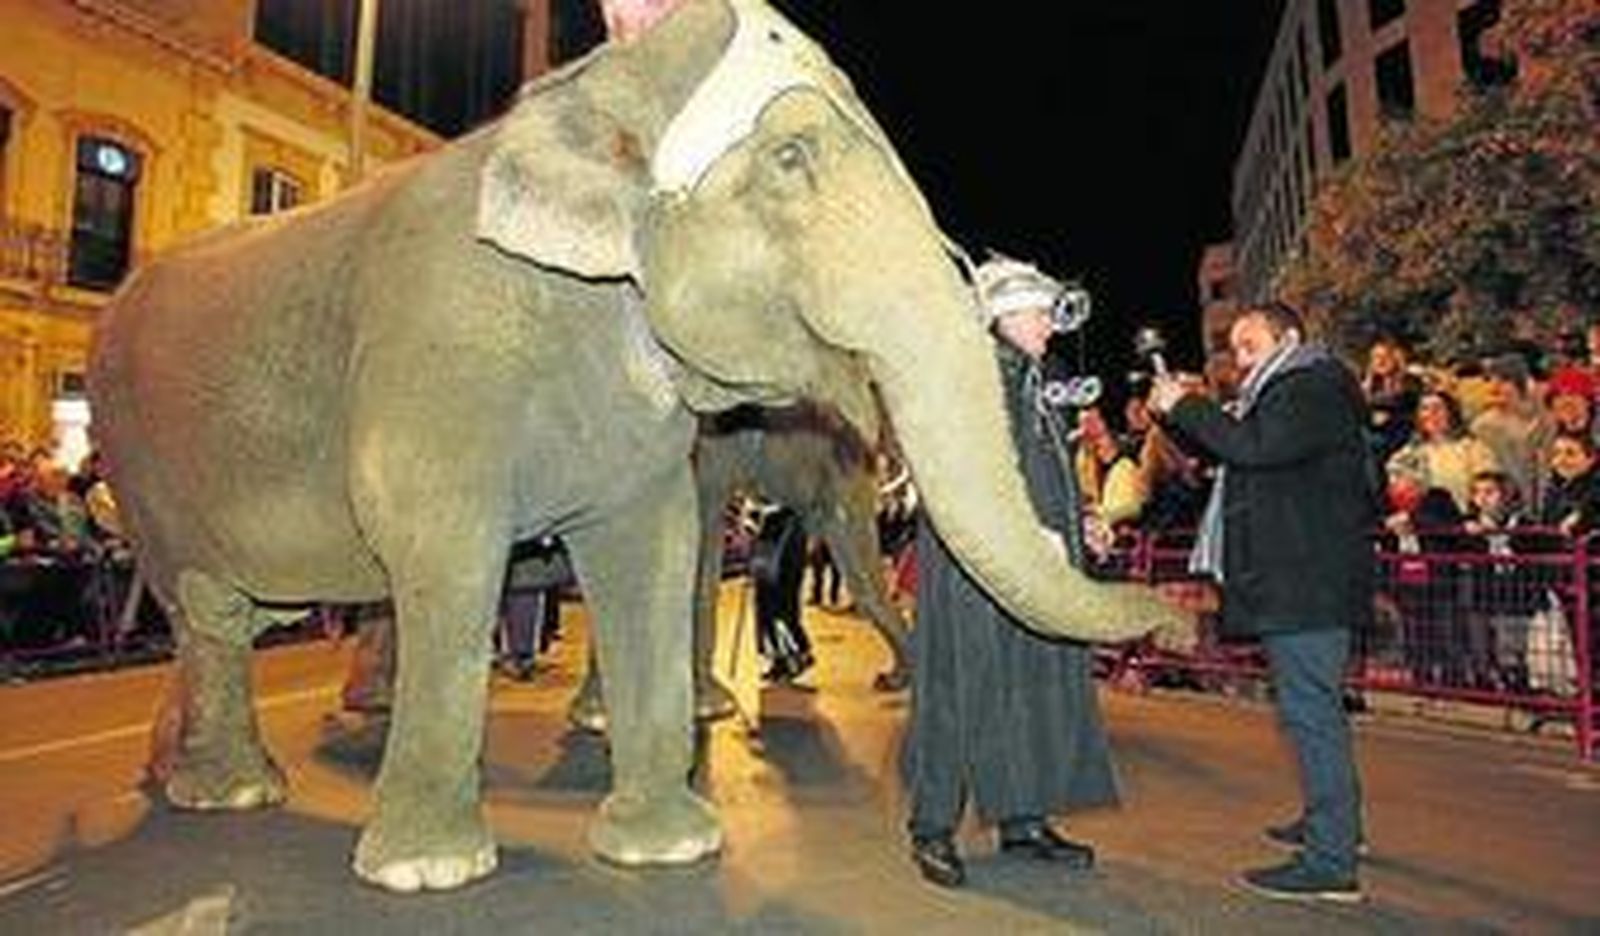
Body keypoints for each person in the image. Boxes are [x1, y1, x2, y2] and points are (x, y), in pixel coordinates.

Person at [902, 254, 1117, 889]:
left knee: (1031, 682)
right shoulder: (970, 374)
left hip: (1037, 563)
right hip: (977, 563)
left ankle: (1023, 819)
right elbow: (965, 473)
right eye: (1041, 311)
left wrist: (1084, 520)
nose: (1053, 323)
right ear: (1002, 314)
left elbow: (1044, 466)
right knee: (960, 686)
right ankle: (932, 827)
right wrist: (1030, 533)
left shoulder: (1036, 374)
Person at [1149, 302, 1373, 903]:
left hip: (1306, 581)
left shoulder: (1310, 384)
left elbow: (1252, 447)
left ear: (1291, 338)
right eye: (1236, 347)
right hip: (1301, 579)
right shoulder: (1288, 391)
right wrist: (1174, 418)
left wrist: (1187, 406)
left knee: (1310, 712)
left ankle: (1331, 861)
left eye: (1251, 345)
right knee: (1311, 709)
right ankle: (1335, 825)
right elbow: (1224, 453)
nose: (1239, 358)